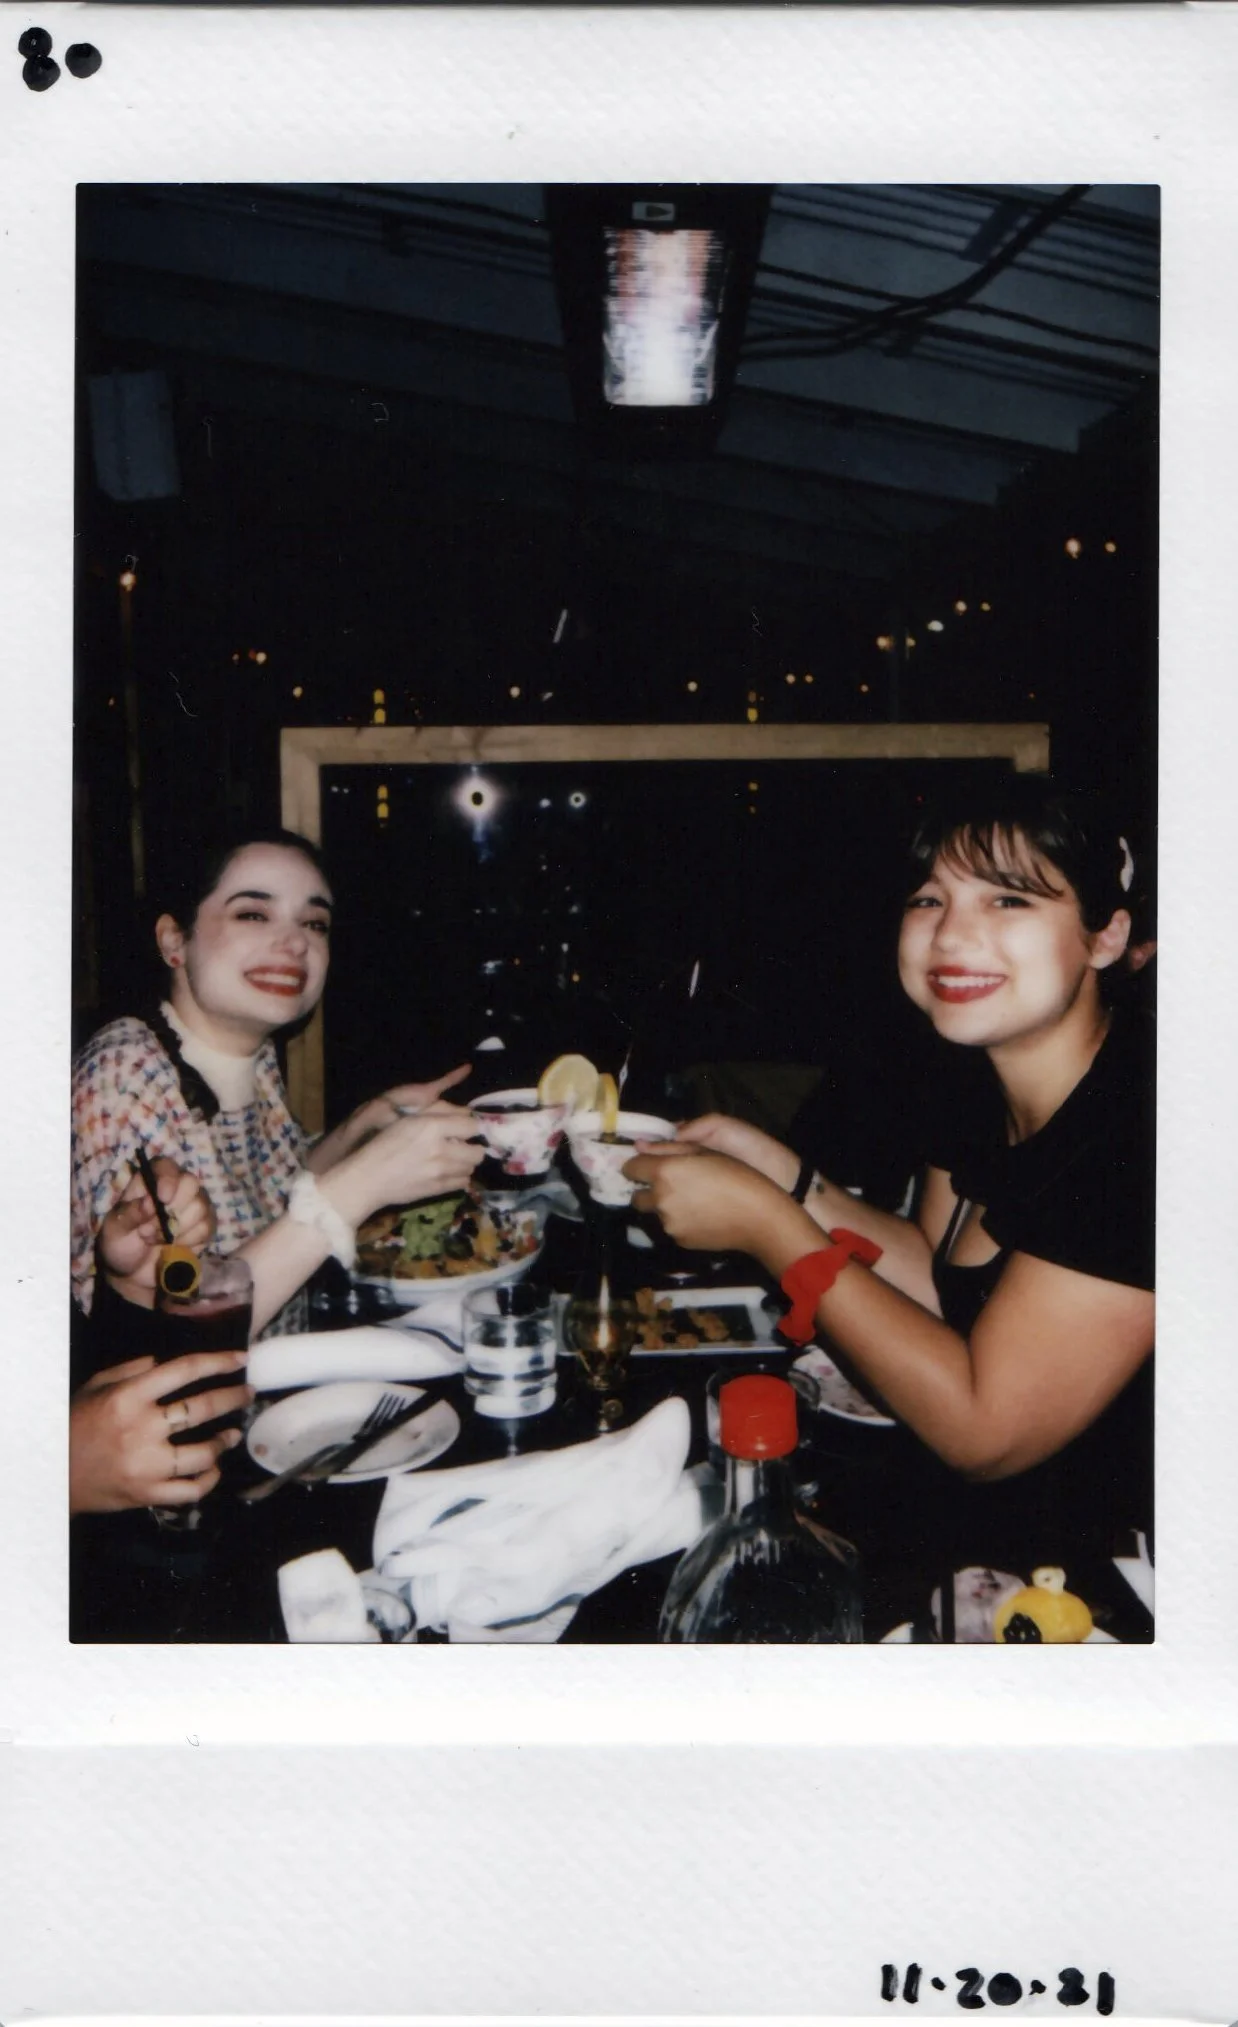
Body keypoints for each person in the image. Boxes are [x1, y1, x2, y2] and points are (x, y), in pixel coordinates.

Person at [628, 779, 1154, 1602]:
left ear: (1106, 935)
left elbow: (985, 1430)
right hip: (1000, 1539)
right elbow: (931, 1270)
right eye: (929, 898)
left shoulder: (1144, 1128)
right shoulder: (980, 1074)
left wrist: (768, 1225)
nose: (952, 934)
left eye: (1009, 898)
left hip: (1113, 1587)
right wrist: (784, 1176)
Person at [71, 828, 483, 1346]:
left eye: (314, 923)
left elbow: (276, 1194)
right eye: (253, 914)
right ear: (174, 940)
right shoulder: (124, 1075)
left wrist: (362, 1128)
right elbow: (160, 1351)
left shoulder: (255, 1054)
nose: (295, 943)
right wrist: (364, 1181)